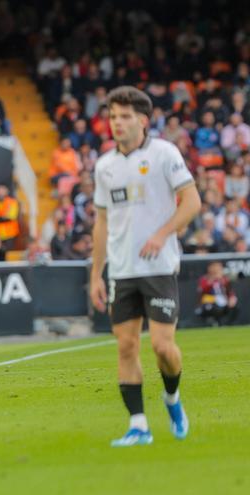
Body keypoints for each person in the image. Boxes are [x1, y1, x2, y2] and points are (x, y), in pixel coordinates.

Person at [89, 86, 201, 447]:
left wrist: (163, 232)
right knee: (125, 346)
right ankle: (139, 425)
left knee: (163, 348)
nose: (116, 123)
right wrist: (96, 273)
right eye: (112, 117)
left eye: (124, 116)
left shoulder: (164, 154)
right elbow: (102, 223)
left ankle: (172, 399)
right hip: (121, 271)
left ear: (142, 120)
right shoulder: (104, 166)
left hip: (158, 267)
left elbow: (192, 202)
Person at [195, 261, 237, 326]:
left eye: (219, 267)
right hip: (210, 303)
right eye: (215, 267)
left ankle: (226, 324)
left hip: (223, 302)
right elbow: (202, 290)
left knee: (234, 307)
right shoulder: (205, 279)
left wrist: (231, 298)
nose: (217, 269)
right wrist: (213, 279)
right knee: (209, 307)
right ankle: (213, 323)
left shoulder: (224, 279)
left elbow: (230, 291)